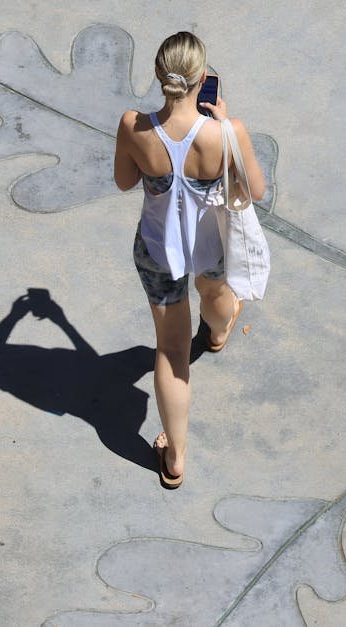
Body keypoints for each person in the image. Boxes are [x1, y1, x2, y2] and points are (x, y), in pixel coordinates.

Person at [113, 31, 266, 489]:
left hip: (158, 251)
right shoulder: (226, 132)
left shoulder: (132, 125)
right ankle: (218, 332)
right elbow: (255, 191)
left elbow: (124, 181)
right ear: (203, 79)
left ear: (161, 76)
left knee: (171, 349)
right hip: (211, 243)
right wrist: (224, 125)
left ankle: (174, 457)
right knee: (217, 289)